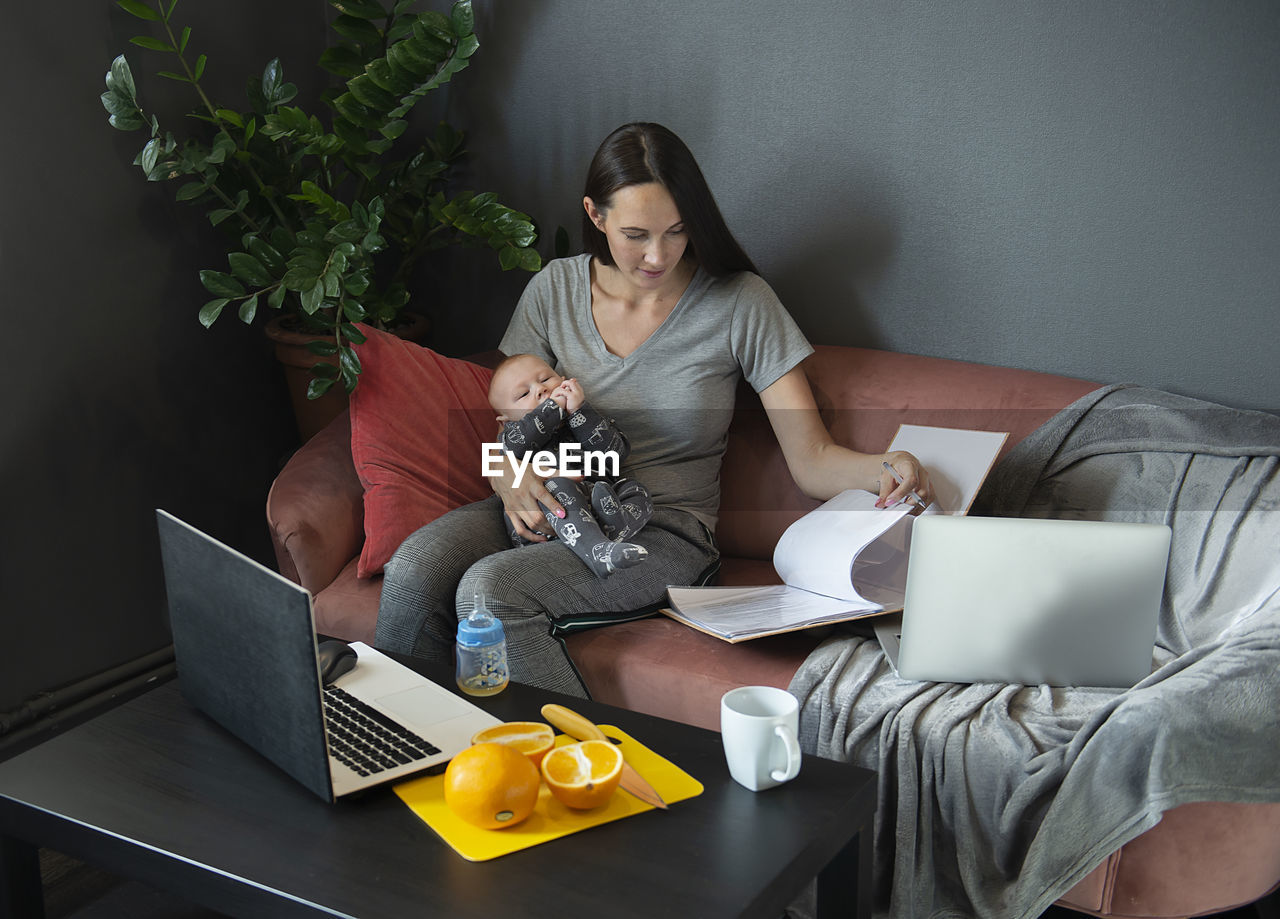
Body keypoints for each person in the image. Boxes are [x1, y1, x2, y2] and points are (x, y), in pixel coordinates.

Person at [375, 122, 931, 696]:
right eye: (636, 234)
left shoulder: (740, 302)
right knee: (416, 566)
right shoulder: (554, 290)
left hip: (661, 531)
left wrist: (887, 466)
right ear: (595, 215)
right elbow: (508, 418)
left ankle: (575, 777)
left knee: (491, 591)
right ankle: (403, 756)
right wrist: (504, 472)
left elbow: (812, 459)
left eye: (677, 231)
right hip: (555, 503)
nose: (657, 255)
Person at [487, 352, 653, 578]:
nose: (540, 389)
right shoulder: (511, 437)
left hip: (599, 498)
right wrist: (552, 408)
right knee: (558, 485)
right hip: (547, 511)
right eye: (524, 394)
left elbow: (615, 453)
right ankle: (597, 552)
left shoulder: (584, 416)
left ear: (563, 379)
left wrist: (579, 411)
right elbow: (512, 448)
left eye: (546, 379)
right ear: (506, 421)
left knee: (636, 490)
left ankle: (613, 530)